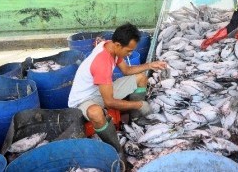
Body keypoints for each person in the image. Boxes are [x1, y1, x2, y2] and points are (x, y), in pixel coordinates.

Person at [68, 23, 167, 153]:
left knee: (141, 78)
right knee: (96, 113)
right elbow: (109, 102)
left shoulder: (111, 45)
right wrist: (139, 104)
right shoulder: (102, 63)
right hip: (84, 99)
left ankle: (136, 120)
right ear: (118, 45)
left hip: (101, 88)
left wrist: (150, 65)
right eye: (129, 51)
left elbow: (126, 70)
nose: (130, 54)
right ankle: (116, 149)